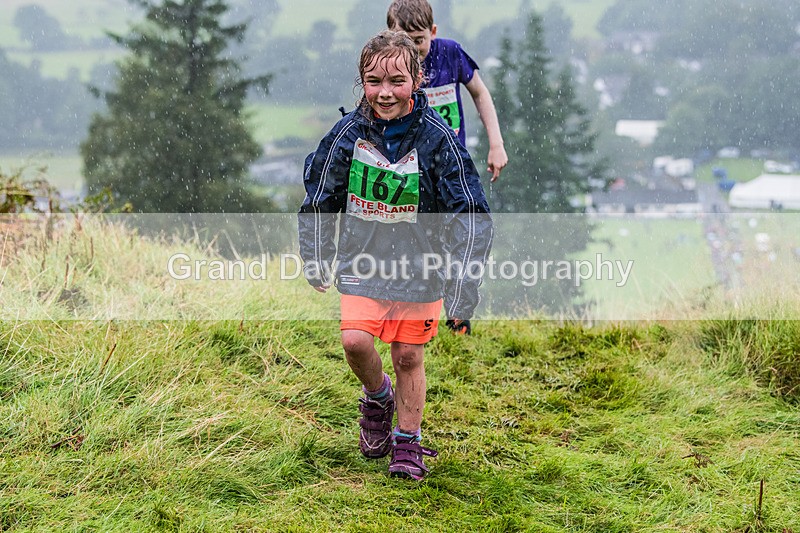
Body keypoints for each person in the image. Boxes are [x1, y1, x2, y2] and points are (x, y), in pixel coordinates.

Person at [298, 30, 492, 480]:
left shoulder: (439, 139)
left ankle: (408, 443)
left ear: (417, 80)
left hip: (423, 267)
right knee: (354, 341)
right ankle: (377, 395)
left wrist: (463, 287)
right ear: (362, 83)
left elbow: (469, 210)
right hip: (361, 261)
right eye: (373, 81)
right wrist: (315, 255)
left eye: (396, 81)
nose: (385, 92)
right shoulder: (347, 135)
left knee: (408, 355)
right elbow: (321, 195)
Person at [387, 0, 508, 183]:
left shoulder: (450, 53)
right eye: (405, 41)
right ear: (390, 37)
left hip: (453, 163)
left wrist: (496, 144)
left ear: (433, 32)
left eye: (418, 40)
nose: (412, 50)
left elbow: (479, 93)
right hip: (406, 170)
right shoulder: (386, 66)